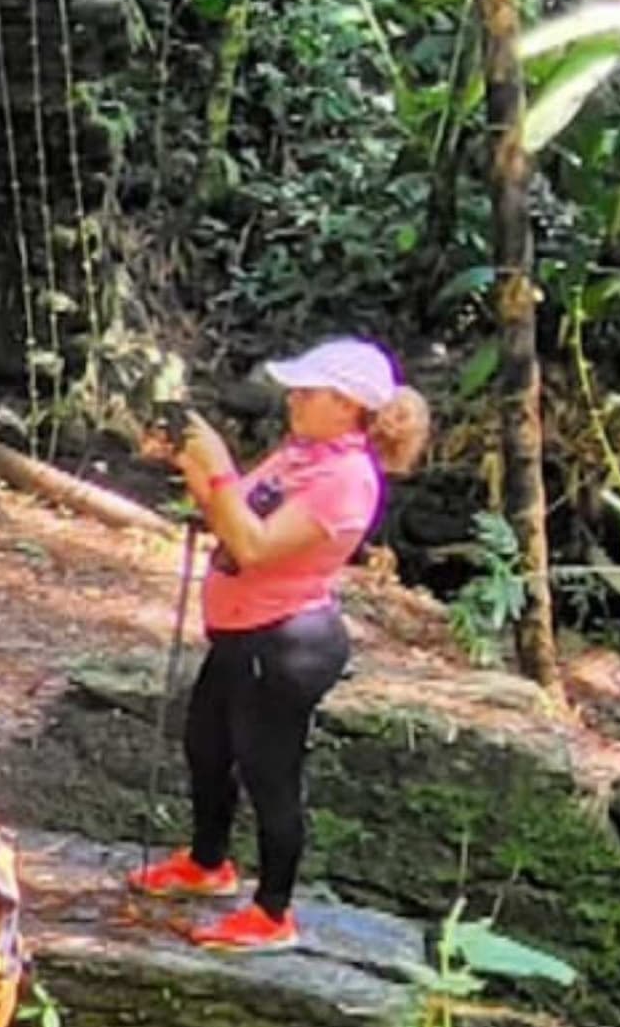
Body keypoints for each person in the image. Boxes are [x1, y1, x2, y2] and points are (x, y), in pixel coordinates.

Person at [128, 338, 431, 954]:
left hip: (285, 642)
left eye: (309, 392)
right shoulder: (303, 455)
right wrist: (189, 461)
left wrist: (213, 461)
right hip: (240, 633)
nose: (293, 399)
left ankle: (272, 912)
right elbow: (231, 509)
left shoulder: (346, 479)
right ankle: (208, 863)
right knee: (206, 746)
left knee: (270, 773)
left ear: (348, 407)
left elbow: (257, 545)